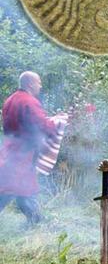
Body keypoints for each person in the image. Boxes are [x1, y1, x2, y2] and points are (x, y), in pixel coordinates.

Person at [0, 72, 63, 224]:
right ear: (30, 83)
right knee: (20, 189)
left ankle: (36, 222)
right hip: (23, 153)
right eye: (39, 83)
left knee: (12, 188)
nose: (40, 86)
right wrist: (58, 121)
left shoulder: (10, 100)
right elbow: (41, 125)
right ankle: (37, 222)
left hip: (10, 151)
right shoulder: (29, 101)